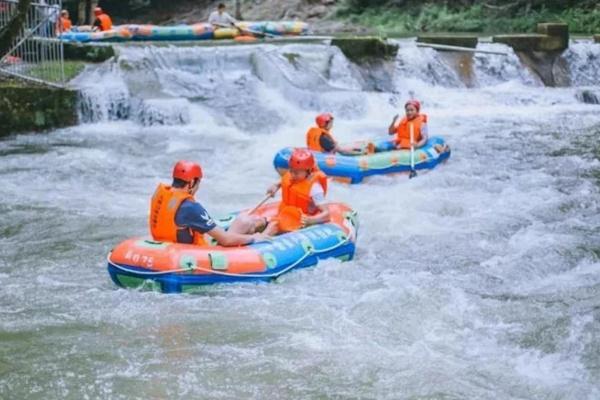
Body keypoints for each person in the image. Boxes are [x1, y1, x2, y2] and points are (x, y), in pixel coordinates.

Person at [150, 160, 270, 246]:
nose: (198, 188)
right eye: (198, 183)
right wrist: (253, 238)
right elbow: (226, 240)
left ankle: (259, 223)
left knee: (245, 223)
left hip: (165, 247)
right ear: (191, 183)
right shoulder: (190, 207)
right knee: (244, 221)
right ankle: (263, 226)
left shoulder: (162, 195)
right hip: (189, 255)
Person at [265, 149, 330, 233]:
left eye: (296, 173)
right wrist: (275, 186)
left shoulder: (315, 188)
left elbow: (326, 214)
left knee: (273, 226)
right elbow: (284, 181)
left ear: (308, 171)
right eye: (291, 170)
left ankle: (259, 239)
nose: (292, 174)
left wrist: (311, 220)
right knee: (260, 223)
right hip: (285, 215)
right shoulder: (292, 176)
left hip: (300, 222)